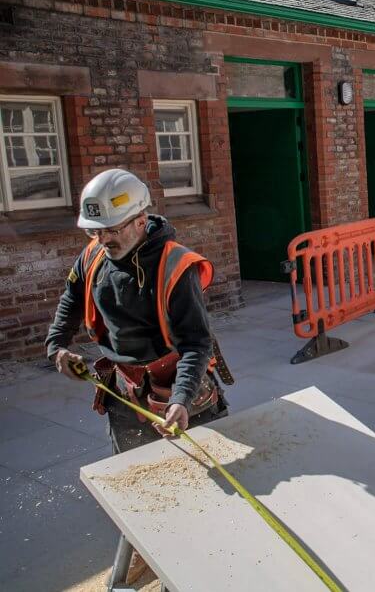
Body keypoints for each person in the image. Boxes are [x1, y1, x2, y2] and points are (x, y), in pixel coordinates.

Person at [45, 168, 230, 583]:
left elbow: (196, 343)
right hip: (124, 389)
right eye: (95, 231)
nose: (103, 239)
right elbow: (71, 298)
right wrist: (57, 345)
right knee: (138, 482)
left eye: (111, 229)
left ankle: (203, 565)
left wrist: (181, 398)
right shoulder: (94, 254)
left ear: (140, 220)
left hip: (181, 388)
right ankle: (150, 553)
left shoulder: (175, 266)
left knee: (202, 486)